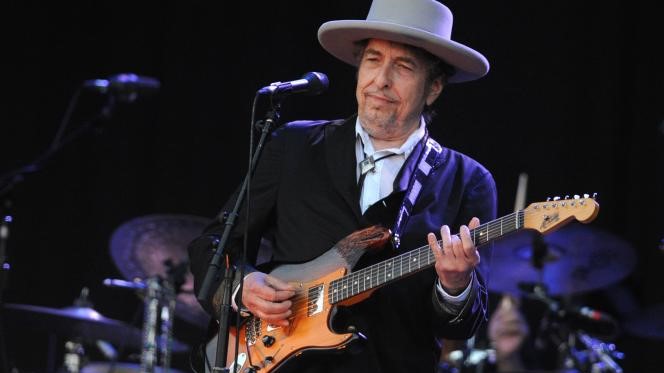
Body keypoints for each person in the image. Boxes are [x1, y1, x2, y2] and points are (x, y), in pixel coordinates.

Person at [187, 0, 497, 372]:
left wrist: (455, 284)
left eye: (402, 67)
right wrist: (243, 288)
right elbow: (213, 244)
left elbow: (462, 325)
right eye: (372, 60)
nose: (380, 80)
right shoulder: (293, 146)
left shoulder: (468, 180)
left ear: (433, 87)